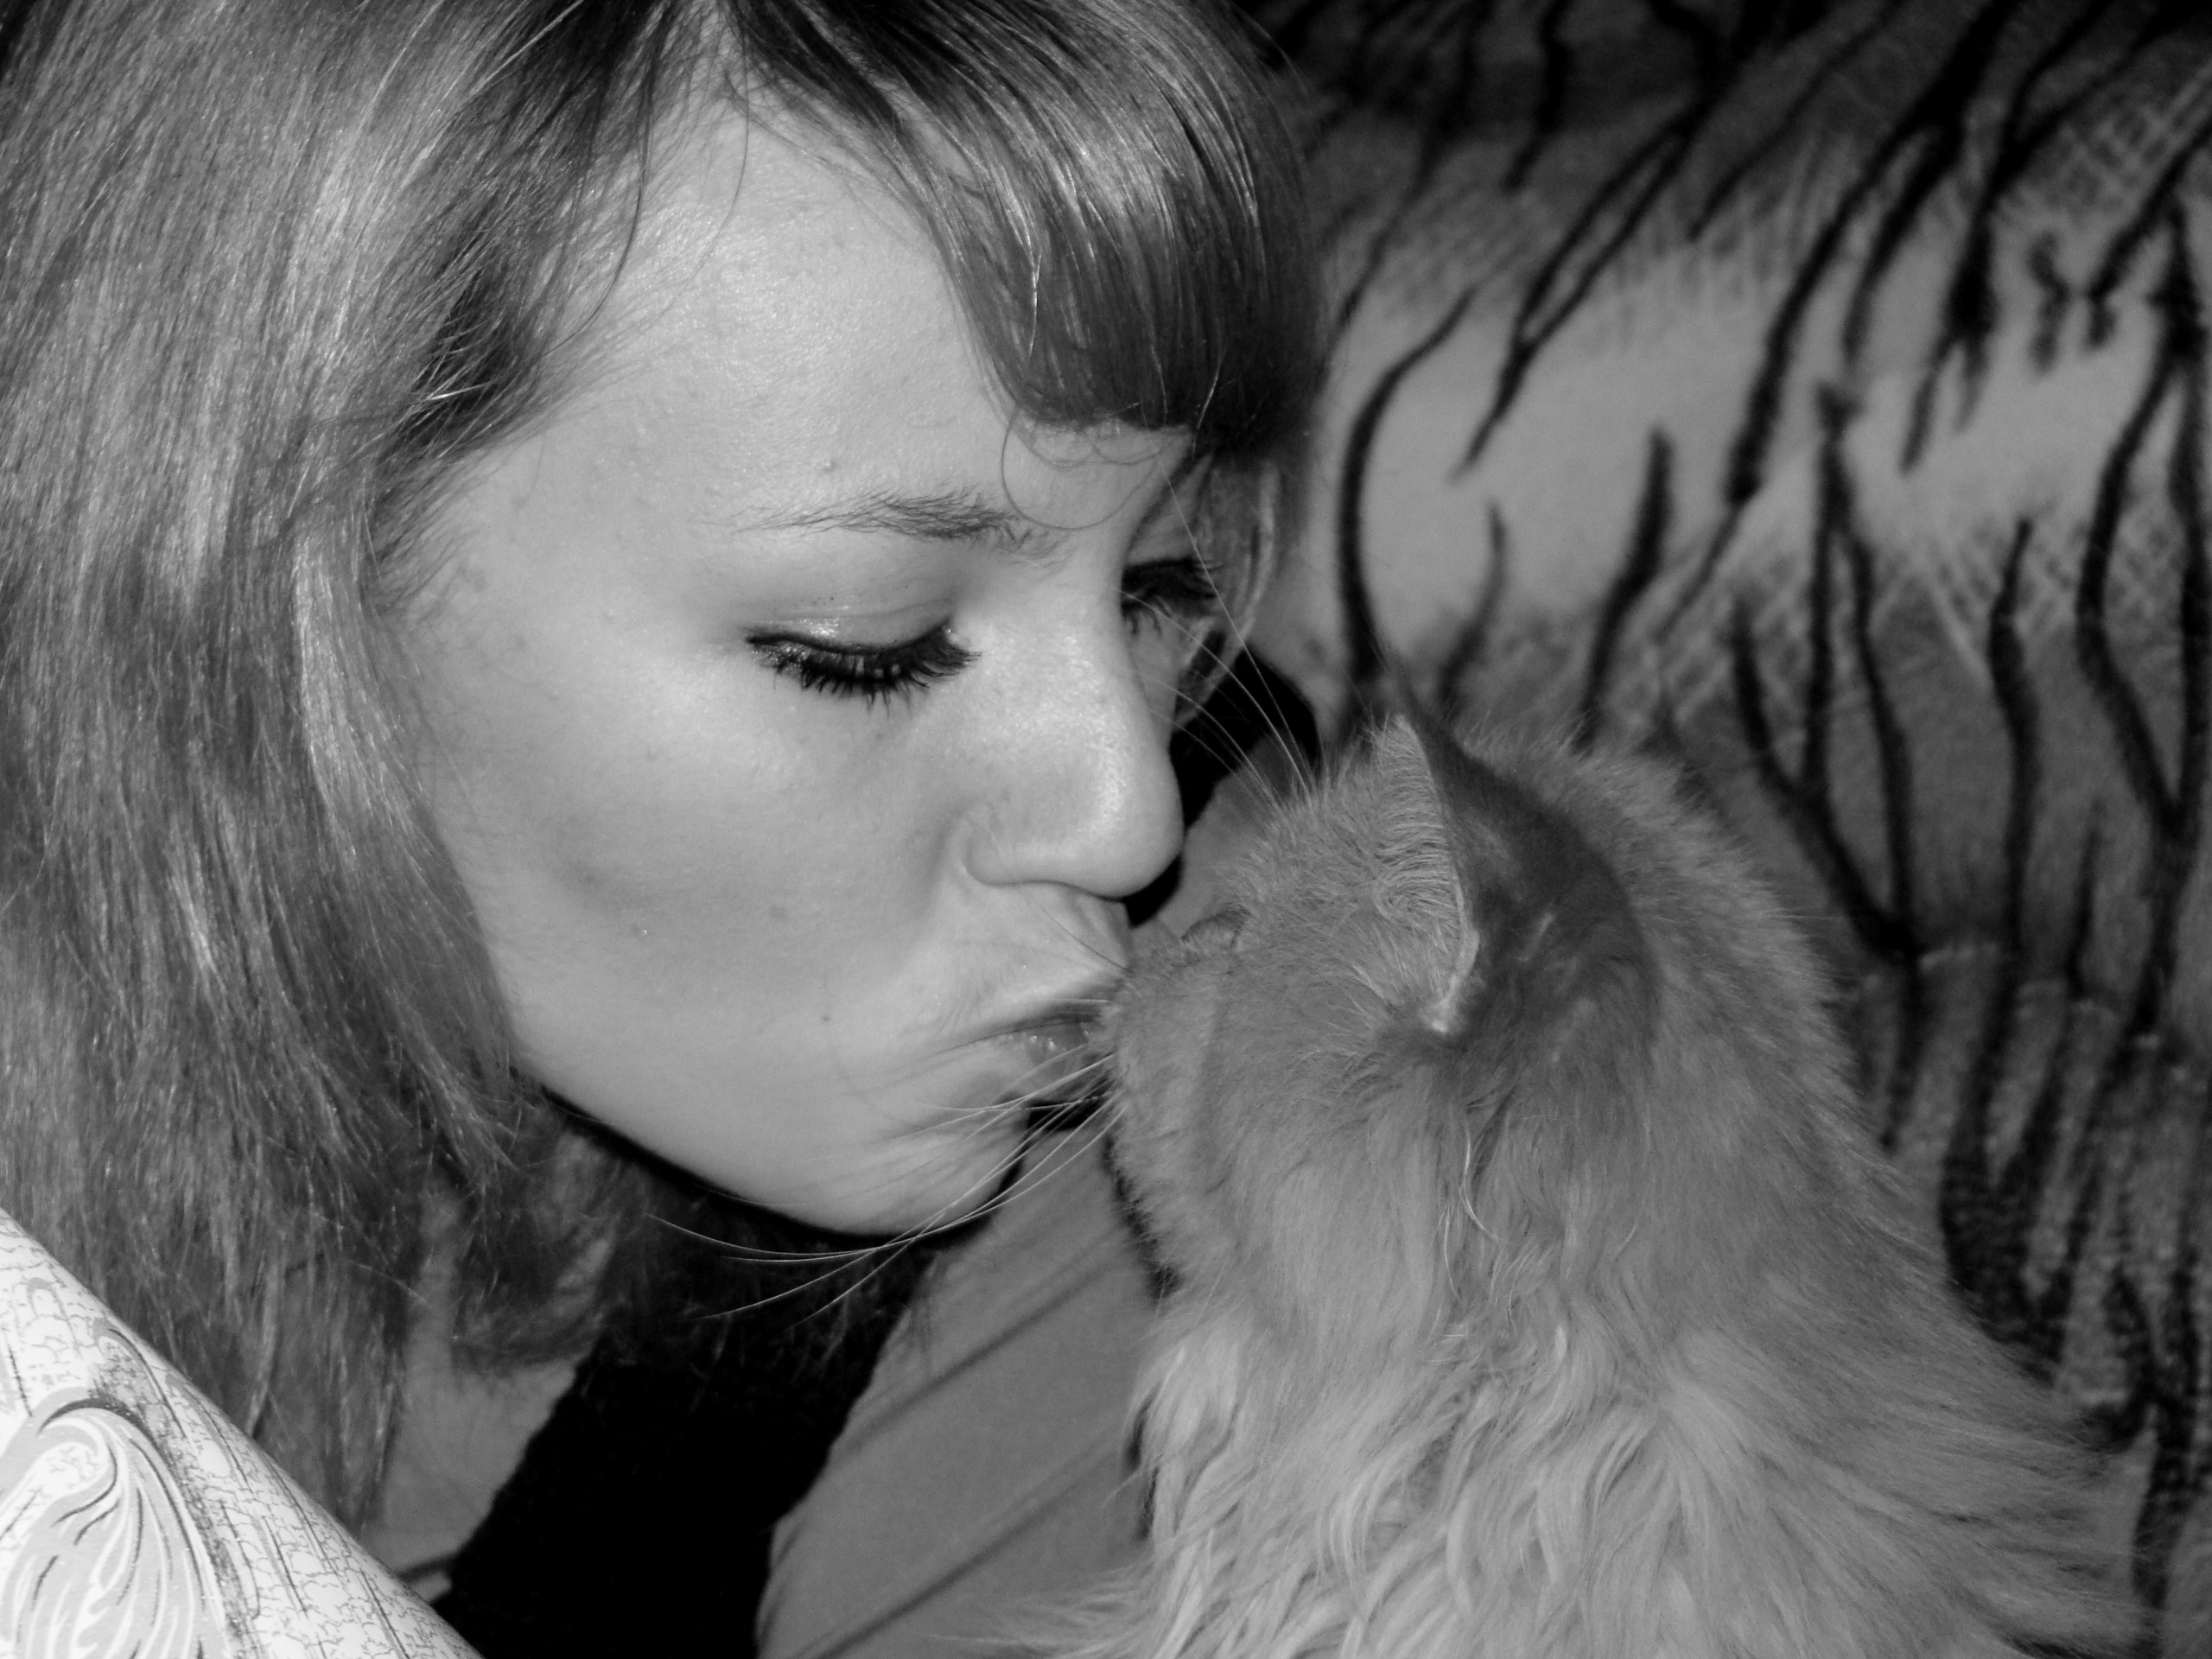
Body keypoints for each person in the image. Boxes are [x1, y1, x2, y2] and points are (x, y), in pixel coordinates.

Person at [0, 0, 1319, 1649]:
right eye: (867, 646)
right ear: (243, 602)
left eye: (1160, 587)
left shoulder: (1240, 1100)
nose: (1126, 817)